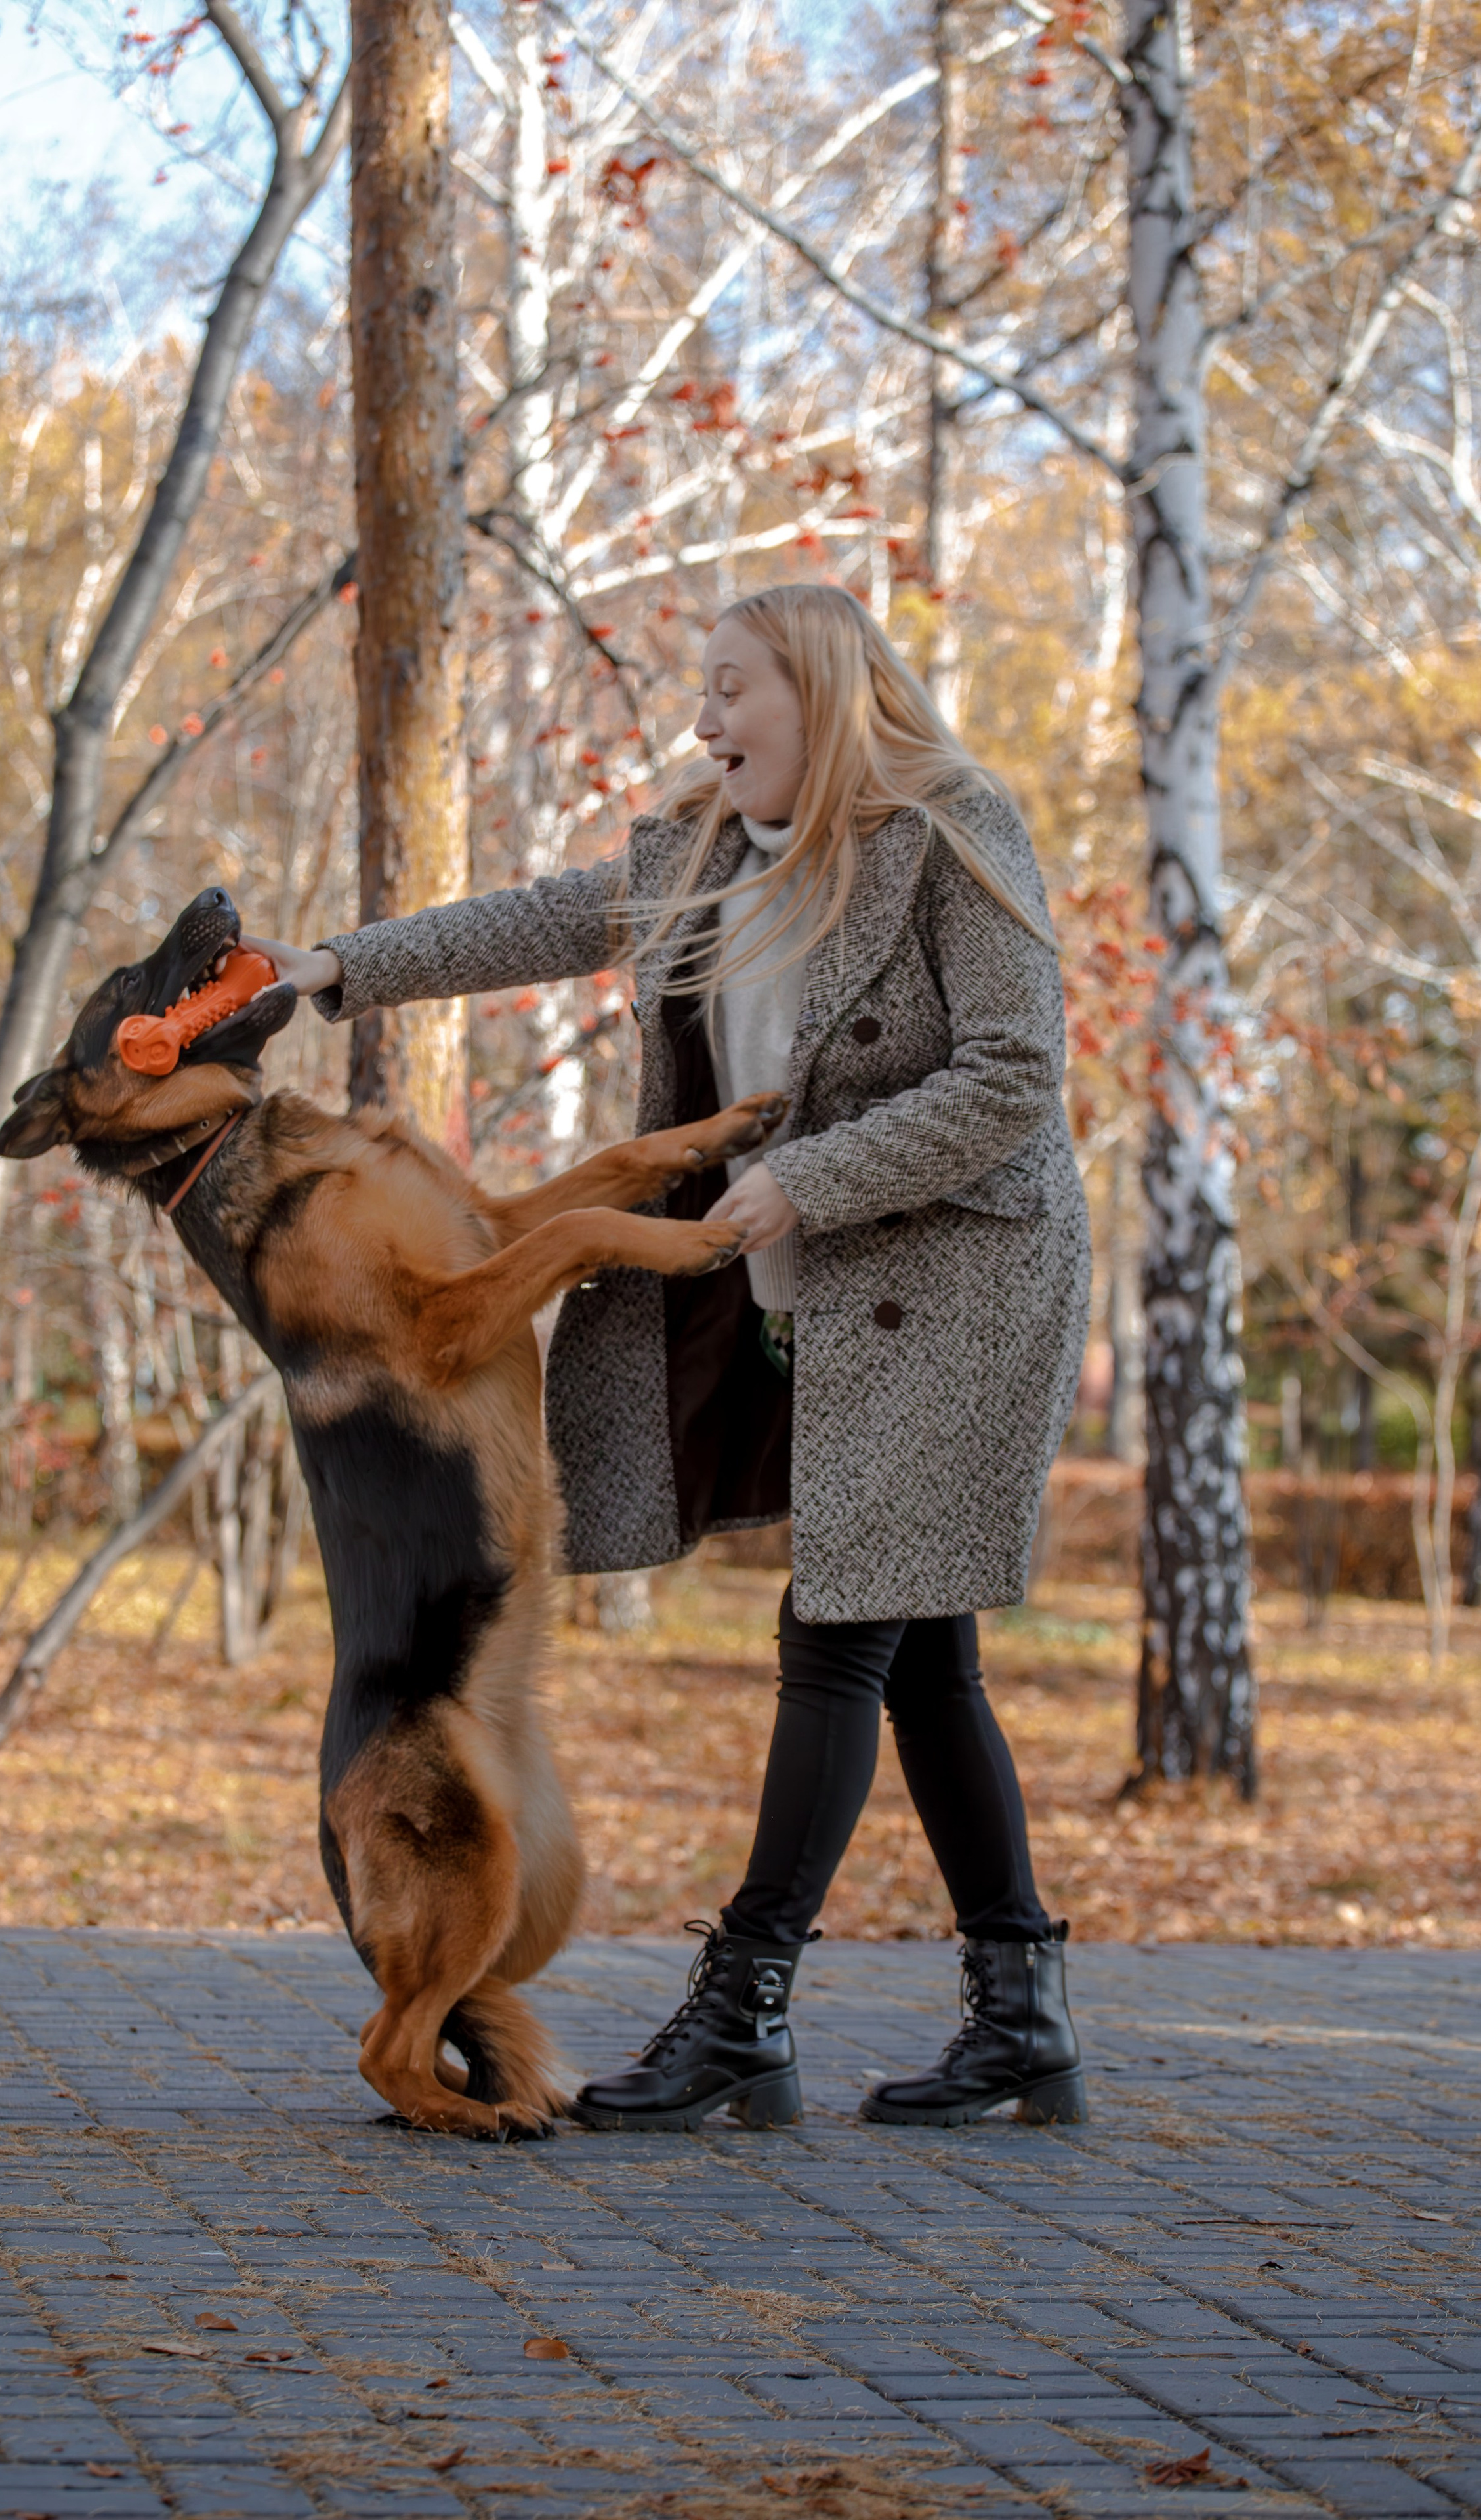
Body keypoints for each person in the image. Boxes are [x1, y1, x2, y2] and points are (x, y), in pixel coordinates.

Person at [247, 582, 1091, 2133]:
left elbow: (1015, 1072)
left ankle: (742, 2008)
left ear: (820, 692)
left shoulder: (950, 826)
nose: (700, 724)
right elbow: (547, 919)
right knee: (925, 1659)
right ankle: (1021, 2016)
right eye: (697, 696)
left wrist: (818, 1180)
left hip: (957, 1278)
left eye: (727, 691)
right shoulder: (703, 848)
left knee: (837, 1631)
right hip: (812, 1278)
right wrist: (334, 969)